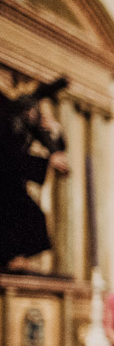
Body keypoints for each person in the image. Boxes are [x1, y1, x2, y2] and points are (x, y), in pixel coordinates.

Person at [0, 76, 69, 270]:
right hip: (5, 178)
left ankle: (12, 258)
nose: (35, 113)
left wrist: (56, 131)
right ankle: (9, 258)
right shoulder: (7, 121)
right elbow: (8, 156)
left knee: (32, 218)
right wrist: (48, 162)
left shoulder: (31, 122)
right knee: (20, 216)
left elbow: (55, 147)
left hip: (12, 180)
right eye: (32, 109)